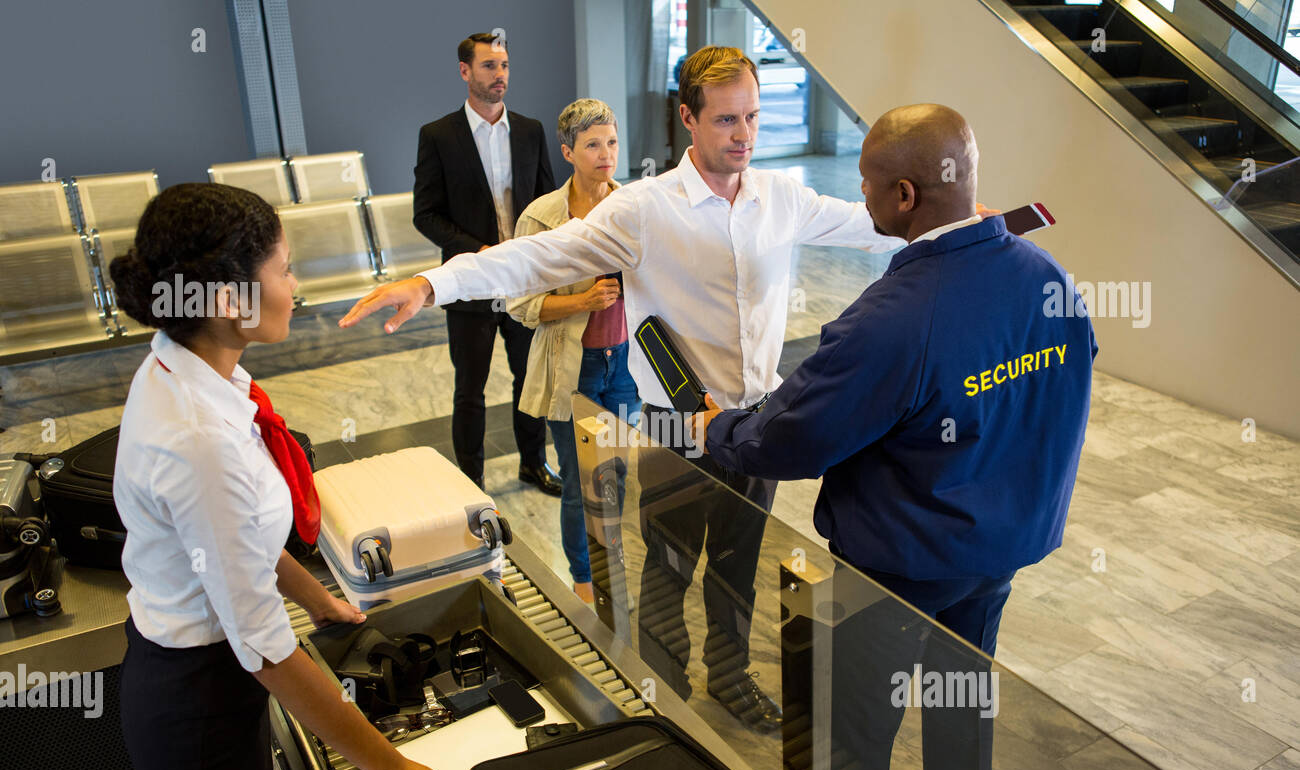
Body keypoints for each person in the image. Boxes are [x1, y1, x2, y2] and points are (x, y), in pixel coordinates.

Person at [340, 46, 911, 734]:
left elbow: (873, 226)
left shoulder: (780, 197)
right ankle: (663, 700)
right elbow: (535, 257)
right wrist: (433, 283)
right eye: (727, 119)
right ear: (688, 121)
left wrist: (974, 218)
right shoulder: (643, 210)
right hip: (675, 422)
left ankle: (731, 679)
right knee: (668, 566)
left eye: (753, 117)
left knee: (737, 565)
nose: (744, 135)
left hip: (758, 419)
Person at [692, 104, 1098, 770]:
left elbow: (791, 437)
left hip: (894, 571)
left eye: (869, 185)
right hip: (995, 554)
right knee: (961, 701)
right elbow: (1052, 391)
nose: (864, 198)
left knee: (846, 742)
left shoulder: (894, 319)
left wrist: (717, 427)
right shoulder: (1049, 279)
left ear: (905, 196)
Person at [111, 183, 461, 770]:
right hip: (195, 702)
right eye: (285, 268)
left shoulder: (195, 373)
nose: (294, 289)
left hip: (209, 673)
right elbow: (265, 647)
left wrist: (320, 600)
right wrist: (388, 768)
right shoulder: (198, 439)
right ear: (227, 298)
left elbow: (233, 540)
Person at [413, 32, 561, 495]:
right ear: (465, 71)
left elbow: (548, 203)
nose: (500, 75)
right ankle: (471, 479)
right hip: (470, 283)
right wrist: (478, 253)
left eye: (505, 66)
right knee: (470, 390)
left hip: (522, 281)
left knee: (529, 382)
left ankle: (532, 465)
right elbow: (426, 213)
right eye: (489, 66)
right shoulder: (438, 135)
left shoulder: (531, 130)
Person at [505, 98, 638, 605]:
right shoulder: (541, 218)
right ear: (567, 152)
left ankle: (611, 570)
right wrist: (582, 300)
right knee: (580, 480)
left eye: (611, 141)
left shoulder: (632, 207)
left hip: (624, 364)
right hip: (574, 366)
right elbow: (518, 304)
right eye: (592, 145)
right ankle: (583, 583)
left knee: (616, 474)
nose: (606, 154)